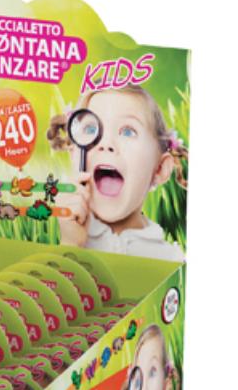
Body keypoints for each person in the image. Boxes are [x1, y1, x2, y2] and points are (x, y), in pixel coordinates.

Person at [54, 84, 187, 260]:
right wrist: (70, 244)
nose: (106, 143)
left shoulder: (170, 257)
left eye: (128, 132)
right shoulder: (64, 232)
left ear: (160, 169)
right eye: (91, 129)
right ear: (73, 155)